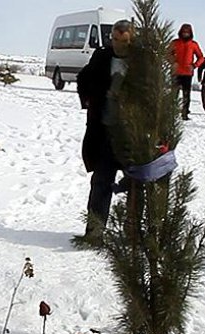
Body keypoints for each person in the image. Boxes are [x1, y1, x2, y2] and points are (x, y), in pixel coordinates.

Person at [74, 20, 133, 246]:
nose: (119, 45)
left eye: (124, 41)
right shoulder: (102, 57)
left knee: (136, 187)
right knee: (100, 183)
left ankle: (133, 237)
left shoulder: (140, 62)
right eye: (115, 40)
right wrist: (89, 100)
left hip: (131, 136)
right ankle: (94, 233)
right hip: (104, 133)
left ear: (132, 39)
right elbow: (83, 78)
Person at [170, 24, 205, 120]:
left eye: (187, 32)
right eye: (184, 32)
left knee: (186, 95)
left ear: (190, 33)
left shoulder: (193, 44)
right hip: (176, 72)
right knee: (173, 94)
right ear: (181, 32)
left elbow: (201, 57)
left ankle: (184, 113)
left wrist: (194, 65)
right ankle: (171, 113)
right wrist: (173, 62)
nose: (185, 34)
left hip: (187, 73)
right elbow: (167, 53)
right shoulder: (175, 43)